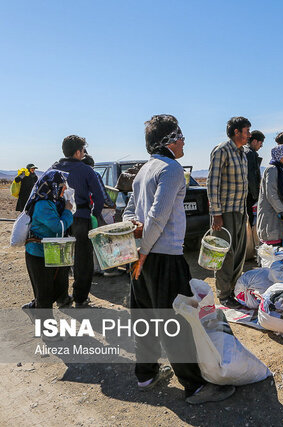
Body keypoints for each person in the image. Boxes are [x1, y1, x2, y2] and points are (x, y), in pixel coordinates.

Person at [124, 114, 235, 404]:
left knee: (145, 317)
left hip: (140, 256)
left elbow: (129, 213)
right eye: (180, 135)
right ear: (168, 141)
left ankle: (145, 375)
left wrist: (138, 249)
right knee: (177, 323)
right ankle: (195, 387)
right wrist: (146, 250)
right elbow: (158, 217)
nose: (184, 140)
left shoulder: (144, 170)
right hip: (162, 256)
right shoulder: (171, 169)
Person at [50, 135, 105, 307]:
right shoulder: (86, 170)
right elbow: (99, 197)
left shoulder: (53, 169)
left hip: (59, 220)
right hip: (81, 218)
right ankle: (80, 298)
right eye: (82, 150)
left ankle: (61, 298)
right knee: (83, 260)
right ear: (77, 152)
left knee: (60, 258)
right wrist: (94, 214)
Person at [207, 117, 251, 309]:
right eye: (246, 131)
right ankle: (224, 294)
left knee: (239, 254)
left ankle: (233, 291)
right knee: (226, 255)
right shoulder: (222, 150)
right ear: (236, 132)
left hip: (240, 211)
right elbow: (212, 183)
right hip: (224, 213)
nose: (249, 135)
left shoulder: (241, 153)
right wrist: (216, 214)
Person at [21, 170, 74, 332]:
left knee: (57, 289)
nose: (64, 190)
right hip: (38, 254)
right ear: (53, 186)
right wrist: (67, 211)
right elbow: (57, 228)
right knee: (44, 294)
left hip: (53, 251)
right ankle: (47, 332)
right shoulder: (43, 204)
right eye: (62, 187)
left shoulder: (53, 201)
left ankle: (33, 307)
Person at [256, 145, 283, 245]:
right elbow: (271, 193)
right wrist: (282, 211)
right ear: (278, 156)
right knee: (270, 249)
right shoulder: (272, 169)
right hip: (271, 214)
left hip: (279, 215)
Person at [245, 130, 264, 226]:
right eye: (261, 143)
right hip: (249, 196)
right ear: (255, 141)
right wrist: (256, 196)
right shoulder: (250, 154)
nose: (261, 146)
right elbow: (251, 177)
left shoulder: (245, 152)